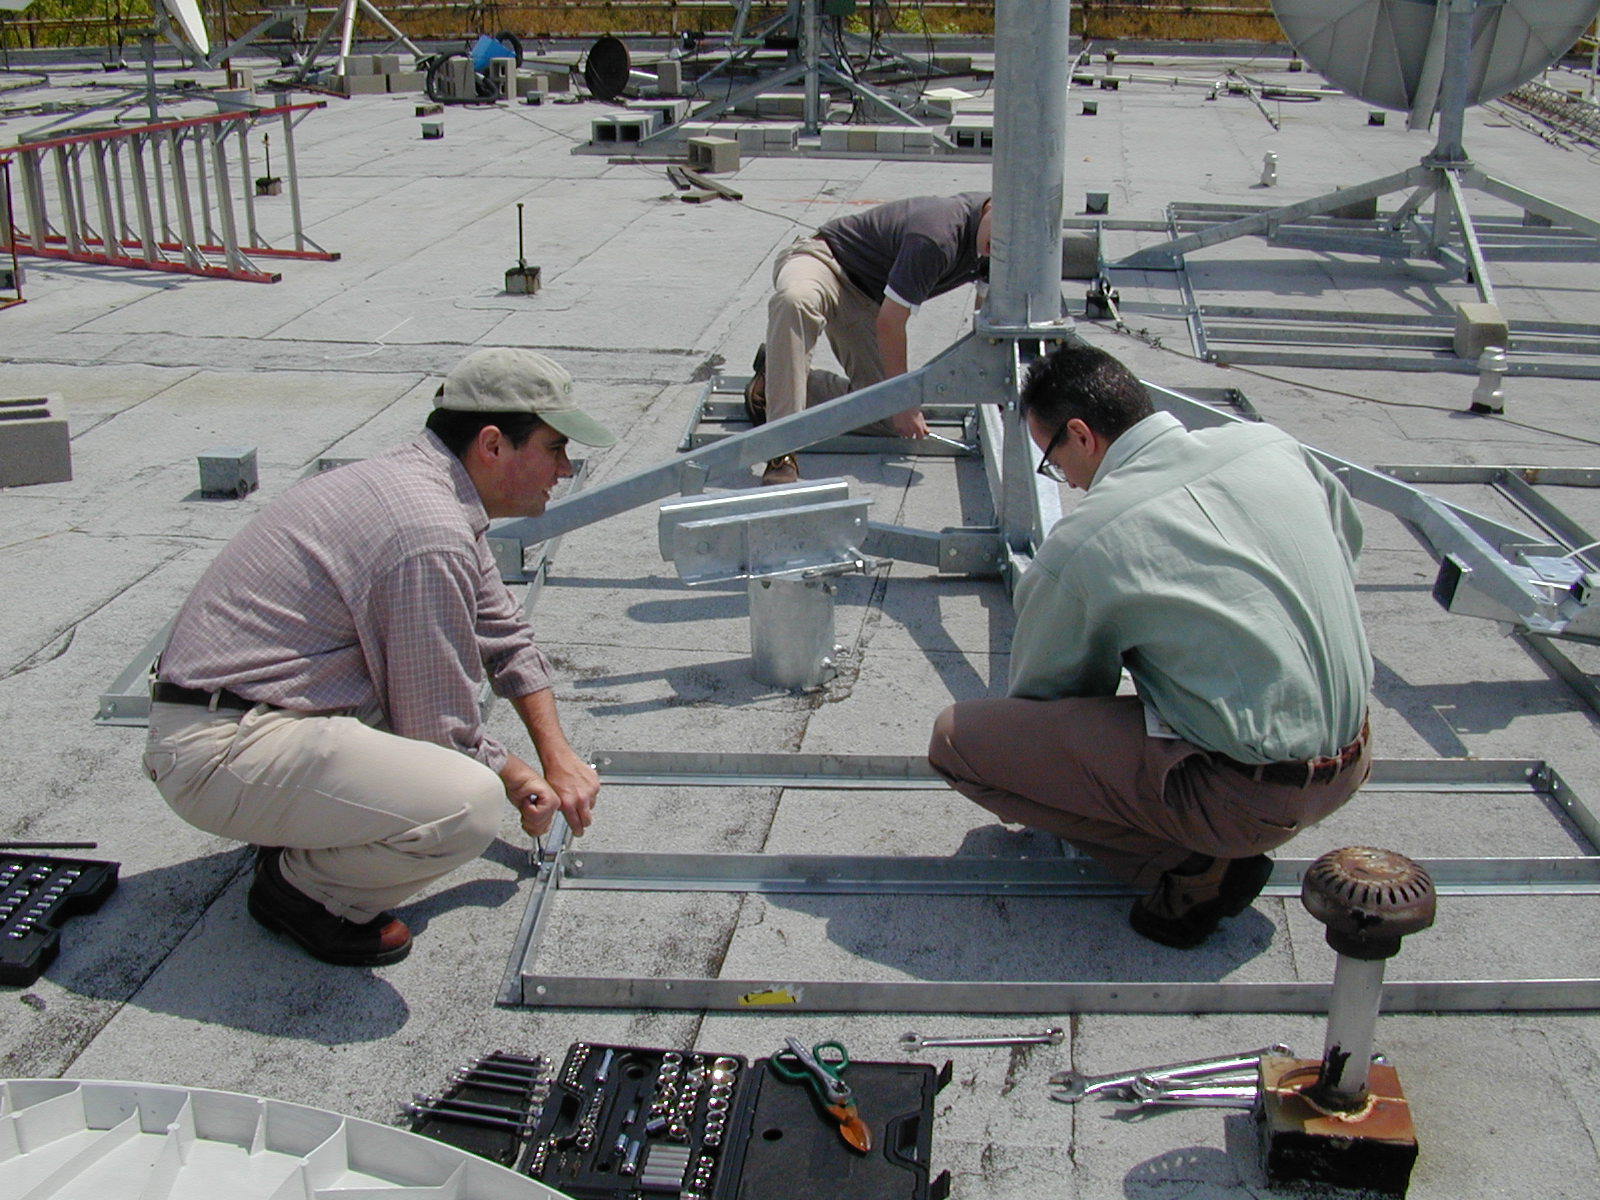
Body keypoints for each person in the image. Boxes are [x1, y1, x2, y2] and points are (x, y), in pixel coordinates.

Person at [142, 347, 616, 967]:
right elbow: (438, 734)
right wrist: (512, 775)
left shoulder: (425, 486)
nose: (565, 468)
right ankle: (303, 892)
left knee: (437, 760)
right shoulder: (428, 533)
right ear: (493, 444)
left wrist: (556, 756)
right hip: (216, 751)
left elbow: (504, 634)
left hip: (246, 715)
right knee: (465, 804)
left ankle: (302, 823)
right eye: (554, 448)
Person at [928, 341, 1373, 949]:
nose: (1066, 480)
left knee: (958, 742)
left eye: (1053, 462)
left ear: (1081, 436)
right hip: (1356, 753)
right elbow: (1347, 547)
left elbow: (1049, 702)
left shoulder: (1089, 538)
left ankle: (1194, 866)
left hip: (1247, 799)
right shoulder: (1271, 445)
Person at [747, 192, 992, 485]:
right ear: (993, 205)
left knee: (887, 419)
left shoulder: (999, 251)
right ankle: (781, 451)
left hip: (866, 299)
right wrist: (903, 401)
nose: (1002, 247)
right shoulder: (938, 236)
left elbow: (985, 323)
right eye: (1002, 235)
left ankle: (772, 380)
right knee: (796, 300)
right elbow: (891, 323)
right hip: (825, 261)